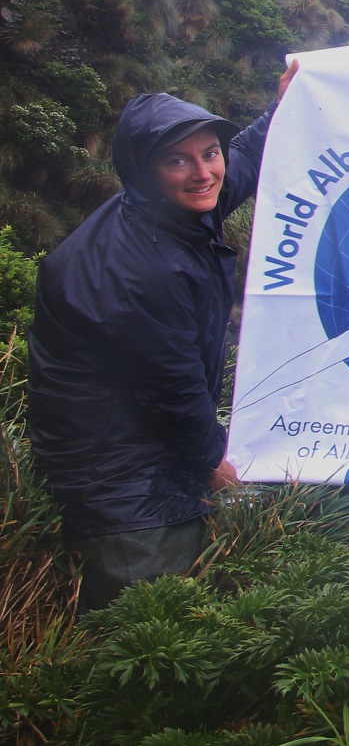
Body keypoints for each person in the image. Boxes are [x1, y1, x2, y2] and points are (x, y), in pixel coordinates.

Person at [27, 62, 293, 609]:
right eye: (178, 160)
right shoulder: (129, 272)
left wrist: (284, 105)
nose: (203, 173)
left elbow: (239, 161)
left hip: (152, 451)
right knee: (151, 631)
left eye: (207, 153)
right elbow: (171, 392)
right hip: (121, 485)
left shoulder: (169, 209)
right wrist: (218, 468)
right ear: (143, 170)